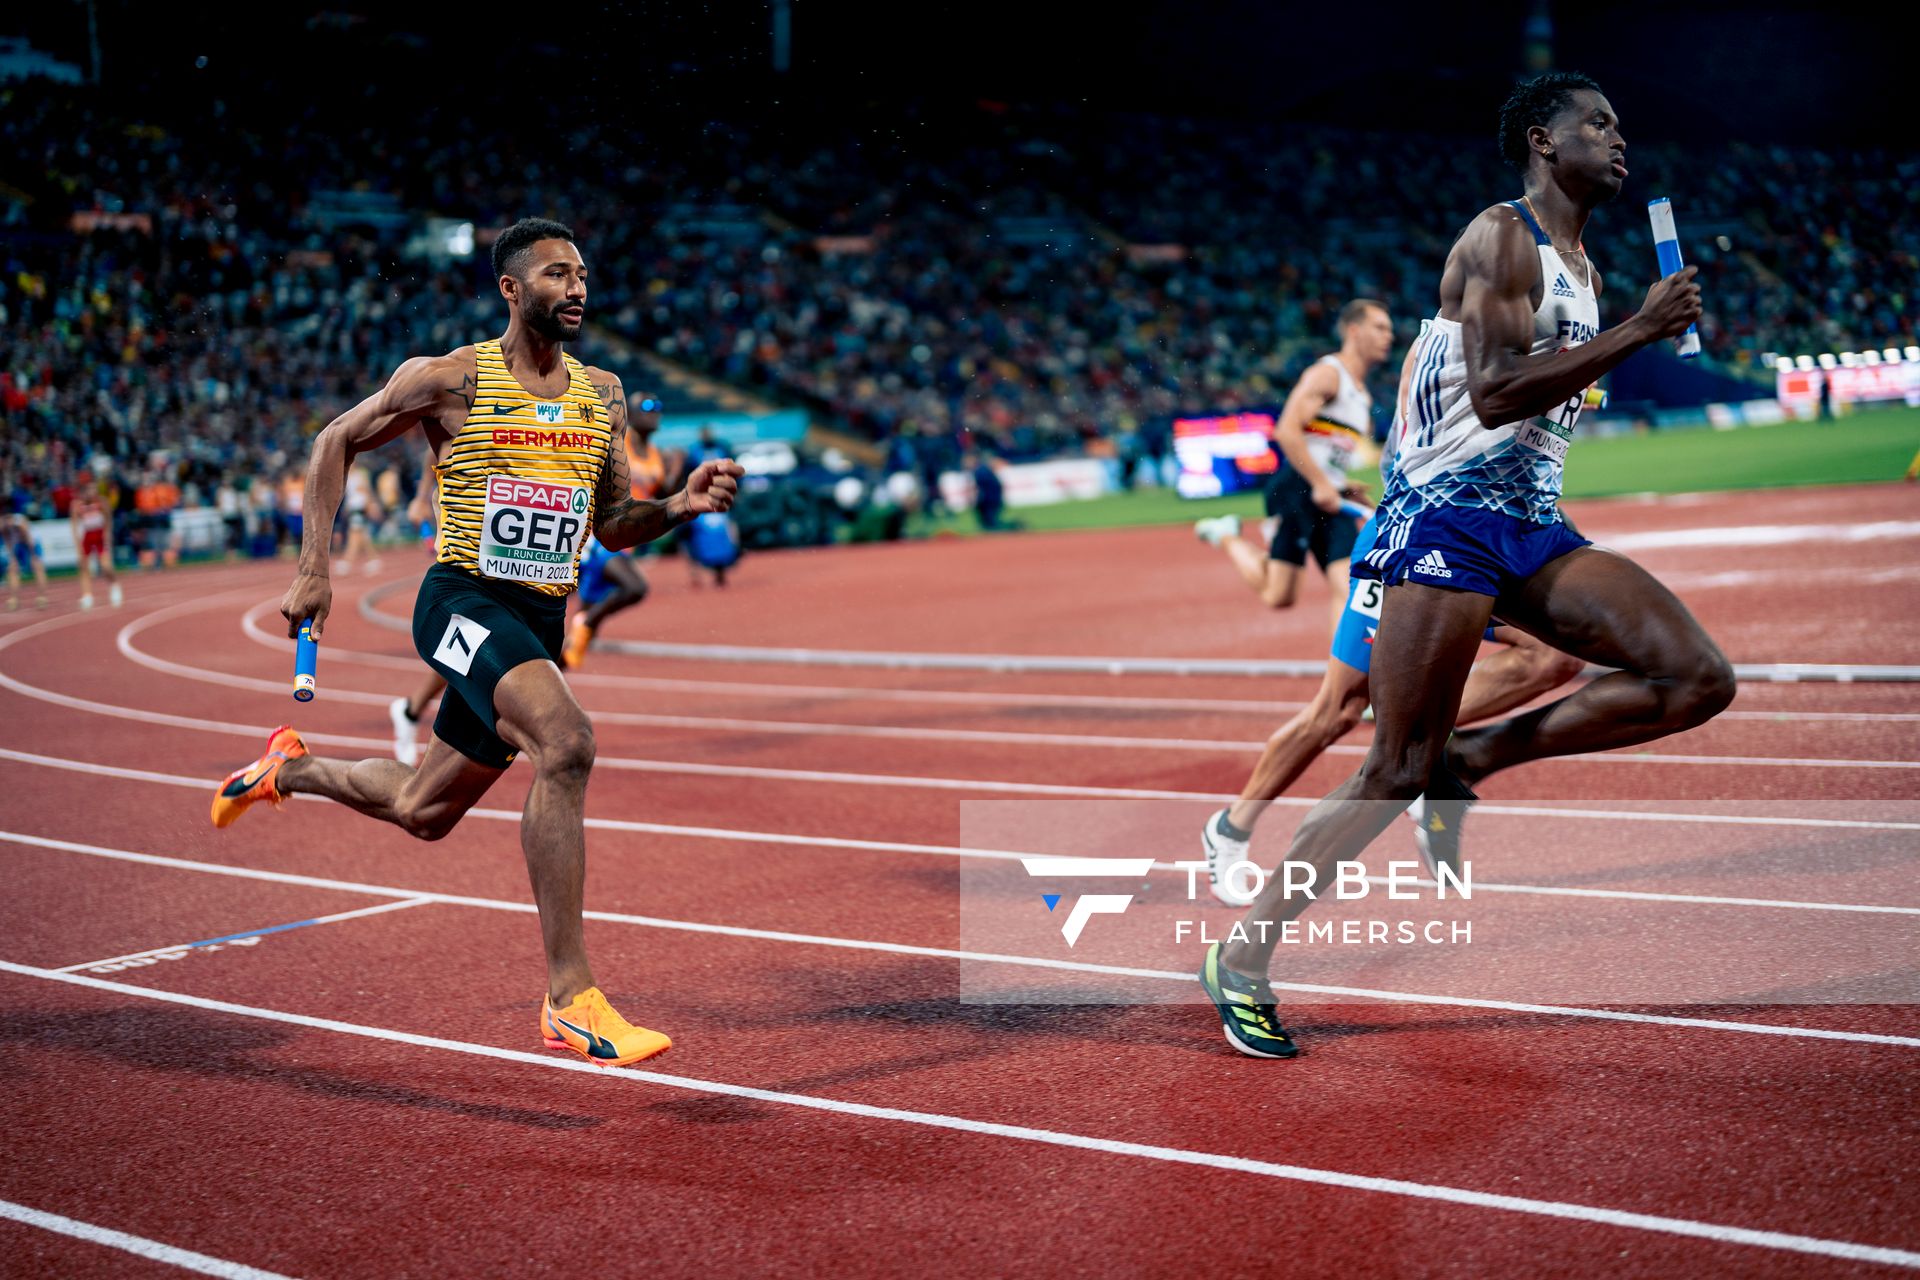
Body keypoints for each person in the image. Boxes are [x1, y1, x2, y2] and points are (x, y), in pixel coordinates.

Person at [1198, 72, 1731, 1059]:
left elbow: (1543, 403)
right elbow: (1492, 394)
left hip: (1528, 522)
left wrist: (1623, 334)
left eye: (1620, 123)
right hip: (1440, 520)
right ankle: (1242, 954)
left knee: (1696, 675)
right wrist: (1640, 333)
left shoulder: (1587, 269)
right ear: (1543, 139)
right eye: (1598, 123)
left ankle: (1472, 757)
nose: (1620, 140)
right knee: (1388, 762)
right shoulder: (1501, 238)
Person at [210, 217, 744, 1067]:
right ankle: (571, 999)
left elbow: (610, 525)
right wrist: (315, 569)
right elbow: (334, 440)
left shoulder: (600, 394)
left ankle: (289, 767)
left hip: (536, 620)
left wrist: (677, 507)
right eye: (556, 275)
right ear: (511, 288)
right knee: (565, 743)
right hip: (459, 600)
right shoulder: (451, 380)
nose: (576, 289)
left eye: (582, 275)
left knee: (423, 811)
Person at [1199, 333, 1586, 904]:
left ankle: (1431, 749)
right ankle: (1229, 827)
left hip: (1487, 541)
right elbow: (1430, 442)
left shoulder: (1537, 343)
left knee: (1553, 653)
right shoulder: (1444, 344)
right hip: (1417, 544)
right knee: (1337, 709)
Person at [1195, 299, 1395, 633]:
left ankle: (1340, 678)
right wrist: (1320, 483)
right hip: (1295, 490)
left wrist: (1338, 484)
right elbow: (1286, 430)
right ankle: (1228, 535)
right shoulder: (1328, 374)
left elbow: (1324, 449)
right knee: (1279, 595)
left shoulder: (1363, 395)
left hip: (1326, 495)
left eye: (1389, 329)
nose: (1388, 336)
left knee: (1347, 586)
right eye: (1379, 327)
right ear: (1353, 330)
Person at [561, 392, 668, 668]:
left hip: (625, 541)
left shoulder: (657, 456)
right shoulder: (619, 445)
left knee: (571, 649)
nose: (653, 412)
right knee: (635, 587)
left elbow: (658, 498)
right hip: (599, 535)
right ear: (629, 414)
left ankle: (544, 678)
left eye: (657, 407)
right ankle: (585, 622)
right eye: (645, 407)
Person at [70, 476, 122, 609]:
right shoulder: (77, 505)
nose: (91, 492)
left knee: (105, 566)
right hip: (87, 536)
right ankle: (87, 596)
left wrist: (107, 535)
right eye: (88, 490)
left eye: (93, 489)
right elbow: (74, 526)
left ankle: (114, 585)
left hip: (99, 536)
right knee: (84, 567)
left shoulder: (101, 501)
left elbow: (108, 519)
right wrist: (77, 545)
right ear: (83, 491)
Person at [3, 513, 49, 611]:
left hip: (32, 543)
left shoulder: (20, 523)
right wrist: (12, 558)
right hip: (19, 545)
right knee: (12, 569)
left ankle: (42, 597)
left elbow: (28, 538)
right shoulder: (4, 528)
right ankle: (14, 598)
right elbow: (8, 541)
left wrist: (33, 556)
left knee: (38, 567)